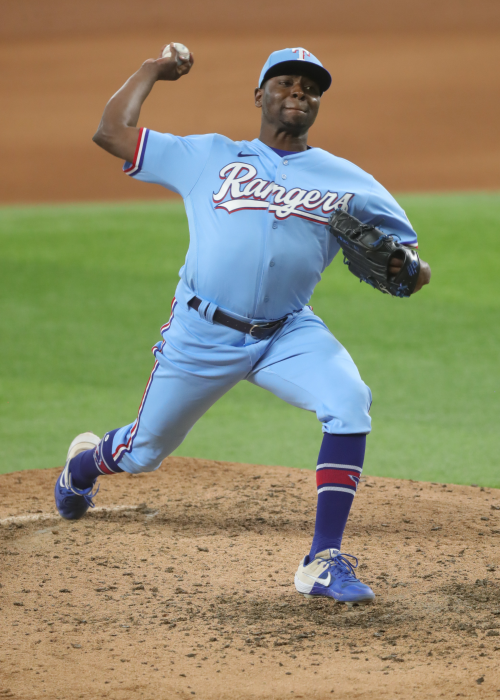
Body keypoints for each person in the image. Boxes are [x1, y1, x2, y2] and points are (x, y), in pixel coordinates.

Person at [55, 45, 431, 606]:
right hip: (202, 332)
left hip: (286, 332)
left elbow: (413, 265)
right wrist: (152, 70)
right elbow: (110, 132)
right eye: (285, 82)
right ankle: (82, 467)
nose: (298, 91)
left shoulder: (350, 180)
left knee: (349, 400)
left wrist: (407, 268)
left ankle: (323, 561)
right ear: (259, 95)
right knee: (143, 452)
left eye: (310, 87)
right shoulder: (208, 155)